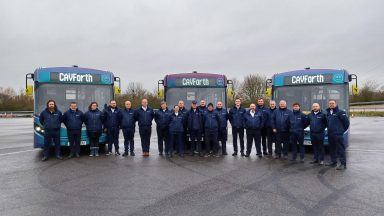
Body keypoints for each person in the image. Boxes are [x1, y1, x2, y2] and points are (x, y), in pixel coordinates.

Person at [326, 99, 350, 170]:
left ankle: (343, 164)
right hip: (330, 134)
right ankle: (333, 162)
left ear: (336, 104)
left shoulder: (340, 112)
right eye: (330, 103)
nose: (331, 104)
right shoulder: (328, 113)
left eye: (333, 103)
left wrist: (341, 131)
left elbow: (347, 123)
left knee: (340, 149)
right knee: (332, 149)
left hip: (338, 134)